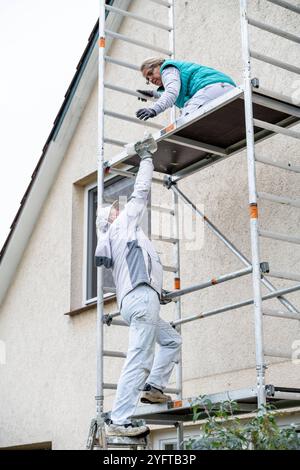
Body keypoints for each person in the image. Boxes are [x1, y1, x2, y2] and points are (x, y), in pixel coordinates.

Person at [95, 134, 182, 438]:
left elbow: (140, 268)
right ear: (113, 216)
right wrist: (146, 159)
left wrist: (158, 293)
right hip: (142, 301)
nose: (120, 209)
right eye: (115, 208)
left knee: (171, 340)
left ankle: (155, 387)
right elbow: (141, 191)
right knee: (139, 356)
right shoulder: (123, 226)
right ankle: (119, 418)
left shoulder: (117, 238)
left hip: (139, 302)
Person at [136, 57, 236, 121]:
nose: (151, 79)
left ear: (159, 65)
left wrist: (153, 109)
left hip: (211, 88)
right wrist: (153, 94)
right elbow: (174, 92)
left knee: (184, 121)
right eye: (147, 79)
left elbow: (171, 93)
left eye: (150, 73)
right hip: (219, 89)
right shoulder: (173, 75)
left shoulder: (167, 69)